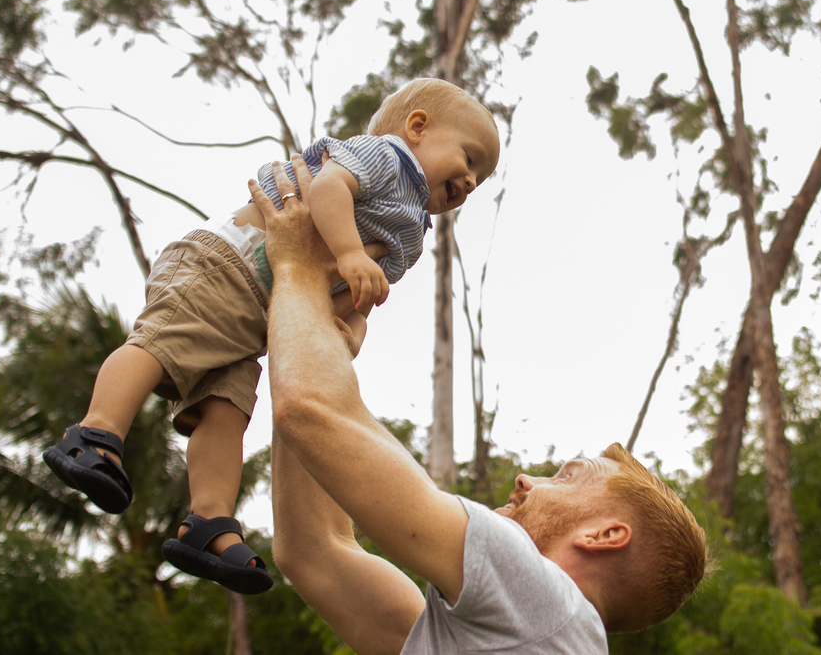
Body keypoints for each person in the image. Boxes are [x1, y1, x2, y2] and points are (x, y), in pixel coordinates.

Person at [43, 78, 501, 594]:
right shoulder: (386, 157)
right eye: (469, 158)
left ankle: (208, 522)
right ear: (416, 127)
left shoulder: (411, 233)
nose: (471, 180)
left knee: (225, 410)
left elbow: (362, 291)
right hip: (225, 264)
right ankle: (96, 432)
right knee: (161, 344)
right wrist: (350, 252)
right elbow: (327, 190)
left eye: (481, 177)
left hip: (260, 315)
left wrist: (348, 330)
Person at [255, 158, 708, 651]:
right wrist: (315, 330)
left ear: (604, 535)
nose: (526, 479)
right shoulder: (516, 636)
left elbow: (310, 410)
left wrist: (298, 265)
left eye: (566, 477)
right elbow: (315, 550)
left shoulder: (544, 597)